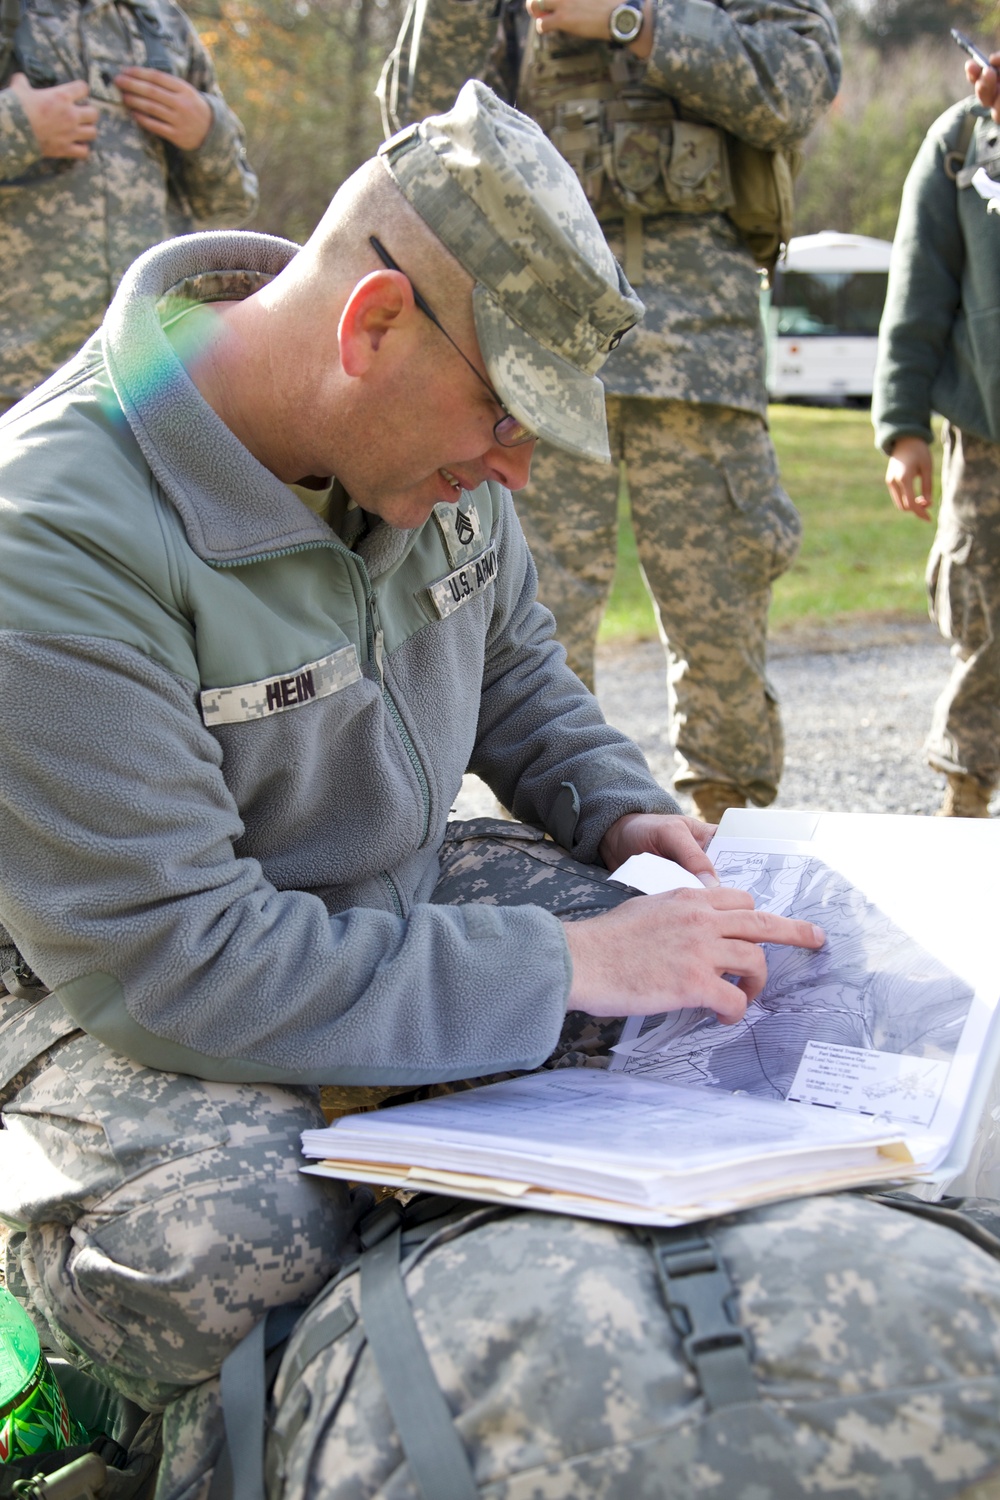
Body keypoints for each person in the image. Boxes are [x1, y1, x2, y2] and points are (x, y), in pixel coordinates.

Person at [0, 82, 826, 1496]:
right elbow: (179, 960)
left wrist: (626, 816)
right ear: (372, 325)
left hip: (380, 904)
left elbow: (517, 675)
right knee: (240, 1233)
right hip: (106, 995)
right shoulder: (52, 542)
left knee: (727, 1007)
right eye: (505, 415)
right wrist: (566, 960)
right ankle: (110, 1405)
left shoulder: (422, 458)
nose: (510, 470)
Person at [380, 0, 841, 824]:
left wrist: (634, 20)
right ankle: (554, 851)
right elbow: (418, 119)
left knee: (720, 611)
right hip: (537, 339)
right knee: (525, 614)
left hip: (697, 348)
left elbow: (800, 83)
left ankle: (729, 845)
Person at [0, 0, 257, 411]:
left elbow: (232, 203)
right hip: (18, 387)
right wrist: (16, 127)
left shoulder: (163, 23)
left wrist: (207, 133)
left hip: (145, 386)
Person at [872, 85, 1000, 818]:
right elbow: (920, 283)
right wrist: (904, 428)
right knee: (985, 614)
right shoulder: (963, 142)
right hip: (987, 434)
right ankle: (967, 793)